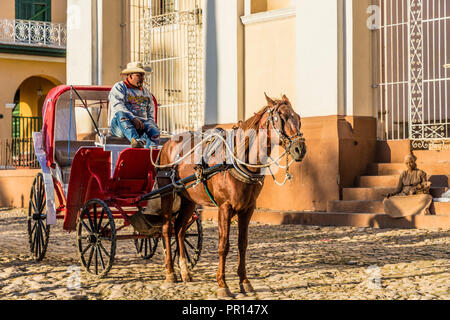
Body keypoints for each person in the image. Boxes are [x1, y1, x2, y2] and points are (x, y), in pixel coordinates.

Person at [108, 61, 160, 148]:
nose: (142, 78)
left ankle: (151, 152)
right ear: (130, 75)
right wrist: (133, 118)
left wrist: (150, 125)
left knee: (155, 131)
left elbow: (150, 113)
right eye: (139, 76)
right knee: (121, 114)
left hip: (141, 125)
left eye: (143, 75)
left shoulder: (146, 92)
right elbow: (118, 106)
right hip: (119, 126)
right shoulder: (119, 87)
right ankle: (136, 141)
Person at [383, 153, 432, 218]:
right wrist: (391, 194)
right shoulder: (403, 174)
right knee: (386, 200)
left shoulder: (421, 173)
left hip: (416, 195)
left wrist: (416, 189)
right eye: (407, 163)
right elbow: (398, 189)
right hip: (404, 195)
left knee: (426, 198)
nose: (409, 165)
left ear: (414, 162)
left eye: (411, 162)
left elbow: (425, 186)